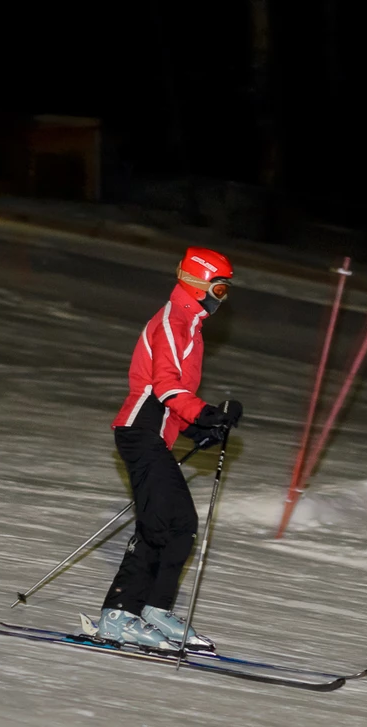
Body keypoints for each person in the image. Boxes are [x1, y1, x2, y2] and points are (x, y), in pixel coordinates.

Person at [97, 247, 243, 652]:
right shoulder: (173, 322)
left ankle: (155, 609)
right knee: (158, 524)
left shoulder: (188, 325)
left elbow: (171, 401)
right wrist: (205, 414)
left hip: (154, 433)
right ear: (198, 283)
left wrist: (199, 429)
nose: (221, 298)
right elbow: (164, 387)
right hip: (139, 431)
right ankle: (118, 615)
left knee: (181, 524)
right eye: (219, 288)